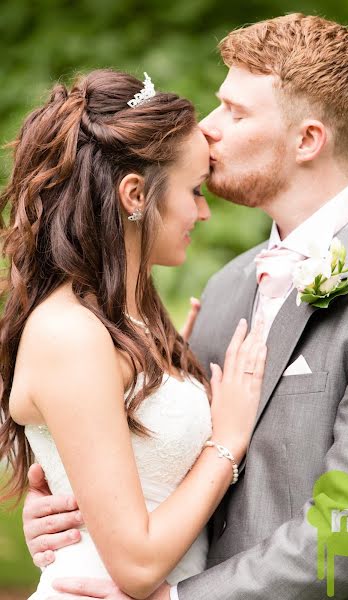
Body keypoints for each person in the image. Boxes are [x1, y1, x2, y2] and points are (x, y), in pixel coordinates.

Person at [21, 12, 348, 599]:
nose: (208, 128)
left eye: (237, 113)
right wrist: (71, 511)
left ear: (308, 140)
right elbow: (161, 454)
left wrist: (183, 599)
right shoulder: (227, 286)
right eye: (218, 104)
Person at [0, 68, 268, 599]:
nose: (204, 211)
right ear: (134, 194)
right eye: (194, 190)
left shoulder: (133, 318)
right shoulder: (69, 334)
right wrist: (226, 442)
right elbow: (138, 566)